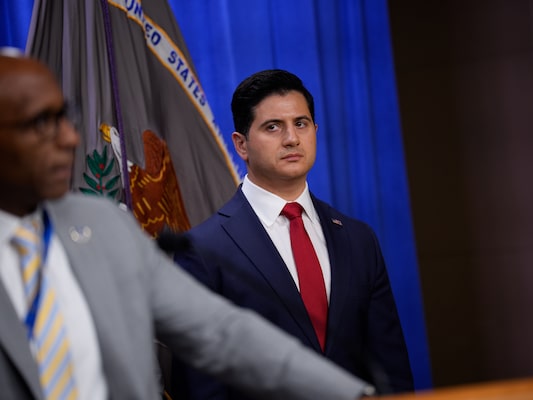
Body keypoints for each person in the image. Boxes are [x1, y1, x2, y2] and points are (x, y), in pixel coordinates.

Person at [0, 54, 377, 400]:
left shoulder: (106, 226)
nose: (70, 138)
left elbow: (220, 334)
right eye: (40, 123)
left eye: (64, 117)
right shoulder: (207, 244)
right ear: (242, 144)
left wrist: (356, 396)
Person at [170, 69, 414, 399]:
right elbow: (200, 386)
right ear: (241, 145)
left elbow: (392, 370)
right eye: (273, 127)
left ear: (315, 131)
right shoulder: (203, 249)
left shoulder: (359, 239)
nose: (292, 139)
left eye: (301, 124)